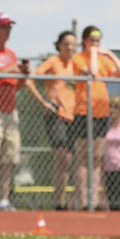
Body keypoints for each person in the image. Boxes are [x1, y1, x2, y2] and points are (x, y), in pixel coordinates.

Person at [0, 13, 56, 211]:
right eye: (4, 27)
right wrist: (7, 71)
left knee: (9, 157)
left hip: (10, 110)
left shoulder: (11, 54)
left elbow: (17, 85)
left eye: (9, 27)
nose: (7, 31)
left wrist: (22, 74)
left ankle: (4, 199)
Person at [71, 25, 120, 210]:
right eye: (92, 41)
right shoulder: (78, 59)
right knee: (82, 158)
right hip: (83, 111)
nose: (96, 44)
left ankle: (94, 201)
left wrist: (110, 55)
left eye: (98, 41)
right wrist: (94, 53)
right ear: (84, 41)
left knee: (97, 159)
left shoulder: (103, 59)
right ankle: (84, 202)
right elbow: (93, 72)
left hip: (101, 113)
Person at [34, 30, 77, 210]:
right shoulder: (53, 61)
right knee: (61, 157)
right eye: (66, 43)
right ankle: (58, 200)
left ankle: (65, 199)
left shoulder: (76, 63)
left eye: (73, 44)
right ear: (59, 45)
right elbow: (33, 76)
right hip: (56, 115)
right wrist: (44, 101)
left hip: (73, 116)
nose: (70, 47)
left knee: (69, 159)